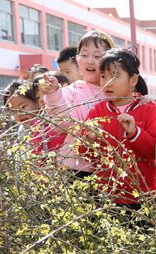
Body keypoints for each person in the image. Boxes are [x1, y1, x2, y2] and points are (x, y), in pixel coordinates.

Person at [79, 48, 156, 209]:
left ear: (133, 80)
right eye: (103, 76)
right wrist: (89, 139)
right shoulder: (98, 111)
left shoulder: (147, 108)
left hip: (142, 194)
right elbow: (85, 154)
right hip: (107, 195)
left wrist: (135, 132)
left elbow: (155, 151)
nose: (107, 82)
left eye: (115, 76)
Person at [39, 30, 115, 177]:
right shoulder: (71, 92)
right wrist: (53, 93)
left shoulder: (116, 90)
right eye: (84, 55)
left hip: (112, 171)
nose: (90, 61)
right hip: (76, 170)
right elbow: (60, 124)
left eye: (98, 56)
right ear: (77, 59)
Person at [3, 80, 67, 157]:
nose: (19, 114)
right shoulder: (22, 130)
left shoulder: (50, 124)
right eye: (13, 111)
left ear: (36, 102)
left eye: (23, 107)